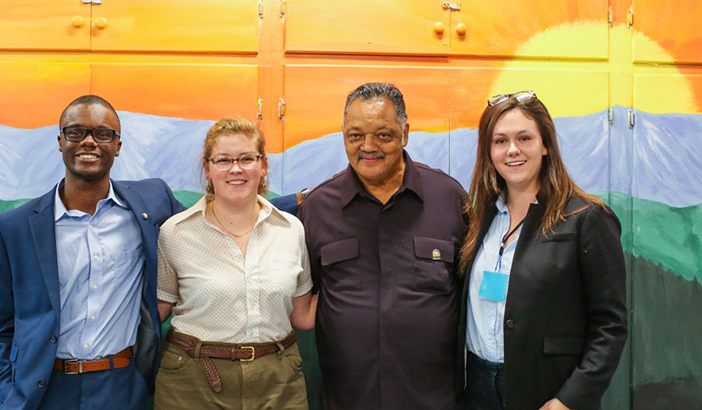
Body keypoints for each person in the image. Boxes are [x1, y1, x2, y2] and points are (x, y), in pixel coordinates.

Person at [0, 96, 301, 410]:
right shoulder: (13, 227)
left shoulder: (150, 203)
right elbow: (2, 326)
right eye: (76, 132)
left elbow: (215, 215)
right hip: (43, 391)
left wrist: (298, 203)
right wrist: (9, 393)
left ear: (118, 145)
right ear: (60, 140)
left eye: (103, 134)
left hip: (121, 385)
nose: (89, 142)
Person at [298, 83, 468, 409]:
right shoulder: (318, 208)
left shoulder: (449, 199)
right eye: (355, 135)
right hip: (348, 398)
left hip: (433, 400)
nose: (368, 146)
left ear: (405, 132)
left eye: (384, 135)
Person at [460, 90, 627, 410]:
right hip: (477, 388)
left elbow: (610, 324)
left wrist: (569, 399)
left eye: (524, 138)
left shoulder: (586, 219)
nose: (512, 150)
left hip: (546, 390)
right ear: (488, 151)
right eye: (500, 141)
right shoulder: (479, 217)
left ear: (545, 145)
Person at [154, 116, 317, 409]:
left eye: (246, 158)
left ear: (263, 165)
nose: (236, 169)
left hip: (278, 380)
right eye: (223, 160)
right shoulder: (175, 232)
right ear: (207, 169)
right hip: (193, 381)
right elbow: (159, 308)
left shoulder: (291, 230)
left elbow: (302, 315)